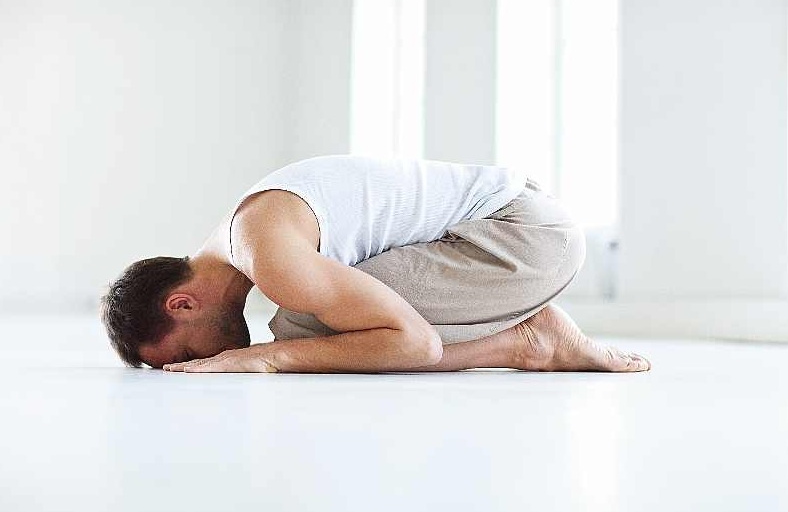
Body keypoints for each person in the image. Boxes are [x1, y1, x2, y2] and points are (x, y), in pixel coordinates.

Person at [100, 154, 651, 373]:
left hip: (523, 238)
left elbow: (416, 344)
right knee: (319, 324)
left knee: (300, 330)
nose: (204, 362)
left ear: (181, 303)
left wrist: (268, 359)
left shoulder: (268, 256)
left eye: (187, 354)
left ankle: (528, 342)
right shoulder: (245, 230)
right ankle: (526, 332)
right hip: (518, 227)